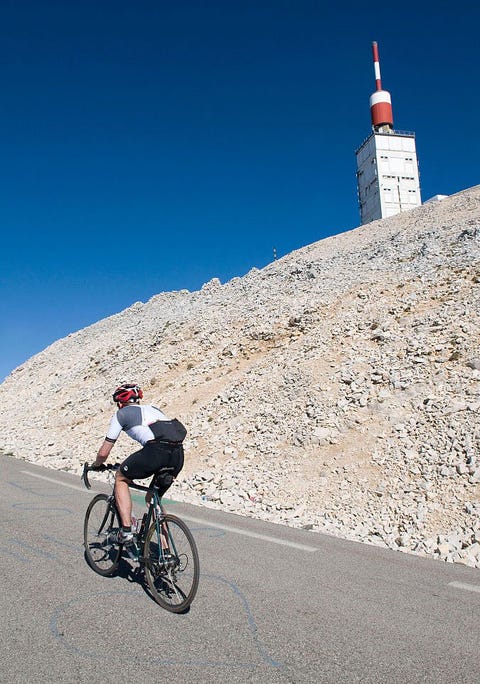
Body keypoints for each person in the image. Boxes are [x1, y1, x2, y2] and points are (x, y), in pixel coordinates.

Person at [92, 383, 186, 544]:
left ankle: (126, 532)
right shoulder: (154, 409)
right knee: (152, 499)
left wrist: (96, 464)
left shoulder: (121, 414)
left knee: (121, 477)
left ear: (120, 403)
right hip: (177, 455)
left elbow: (104, 452)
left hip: (156, 452)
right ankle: (166, 553)